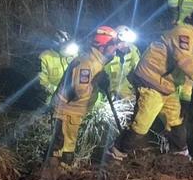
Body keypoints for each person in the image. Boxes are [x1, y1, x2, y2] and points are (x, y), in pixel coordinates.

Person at [112, 8, 193, 157]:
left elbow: (186, 75)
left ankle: (180, 156)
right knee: (141, 126)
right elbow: (184, 62)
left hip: (166, 86)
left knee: (176, 122)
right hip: (152, 82)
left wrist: (185, 99)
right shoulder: (183, 33)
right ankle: (116, 153)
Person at [47, 26, 126, 167]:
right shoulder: (87, 63)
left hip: (73, 111)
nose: (116, 47)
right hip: (66, 111)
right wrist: (97, 80)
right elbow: (80, 90)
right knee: (61, 147)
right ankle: (53, 172)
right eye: (113, 44)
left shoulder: (97, 61)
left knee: (67, 145)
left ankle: (62, 169)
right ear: (102, 46)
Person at [101, 25, 140, 99]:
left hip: (127, 94)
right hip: (108, 94)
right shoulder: (108, 52)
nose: (126, 45)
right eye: (123, 42)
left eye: (128, 42)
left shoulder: (133, 50)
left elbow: (138, 68)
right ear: (116, 41)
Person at [38, 31, 79, 100]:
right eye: (63, 44)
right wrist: (60, 92)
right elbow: (43, 82)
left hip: (75, 92)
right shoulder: (45, 57)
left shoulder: (74, 54)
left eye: (67, 43)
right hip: (55, 97)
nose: (65, 46)